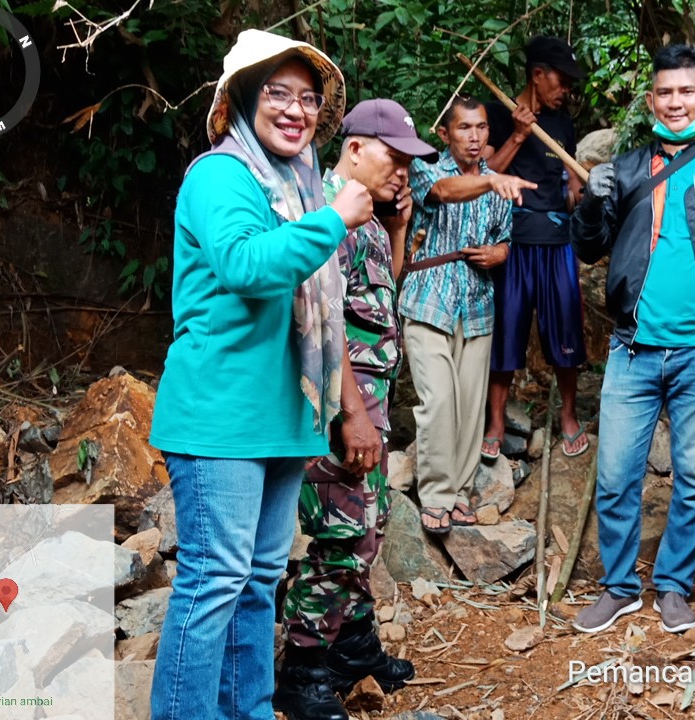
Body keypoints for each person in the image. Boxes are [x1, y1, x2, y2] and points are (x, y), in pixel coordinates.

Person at [149, 29, 371, 720]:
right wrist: (334, 219)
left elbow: (323, 312)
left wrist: (346, 410)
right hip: (220, 415)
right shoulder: (220, 175)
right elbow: (245, 265)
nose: (296, 110)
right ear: (245, 97)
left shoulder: (301, 186)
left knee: (259, 581)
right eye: (279, 93)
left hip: (282, 417)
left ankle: (248, 710)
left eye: (308, 98)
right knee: (215, 580)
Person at [569, 45, 695, 635]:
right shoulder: (629, 168)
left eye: (686, 91)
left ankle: (675, 585)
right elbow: (589, 247)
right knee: (615, 478)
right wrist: (590, 202)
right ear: (651, 99)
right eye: (665, 92)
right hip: (632, 349)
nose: (675, 102)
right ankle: (619, 587)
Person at [275, 99, 438, 720]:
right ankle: (303, 669)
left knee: (369, 523)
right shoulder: (325, 211)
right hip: (342, 409)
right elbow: (322, 319)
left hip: (371, 401)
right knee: (342, 534)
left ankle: (353, 644)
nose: (403, 171)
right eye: (394, 158)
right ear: (355, 148)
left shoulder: (364, 213)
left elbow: (377, 298)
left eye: (409, 162)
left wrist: (397, 229)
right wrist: (353, 414)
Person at [402, 95, 536, 533]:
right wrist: (492, 182)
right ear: (445, 133)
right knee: (439, 400)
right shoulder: (426, 168)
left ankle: (459, 493)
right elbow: (444, 192)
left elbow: (505, 237)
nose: (474, 136)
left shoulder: (498, 185)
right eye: (464, 128)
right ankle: (436, 495)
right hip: (429, 299)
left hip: (477, 305)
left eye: (481, 127)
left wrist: (501, 253)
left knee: (469, 407)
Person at [482, 35, 589, 460]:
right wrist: (519, 135)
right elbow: (484, 175)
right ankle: (495, 422)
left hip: (557, 242)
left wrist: (584, 193)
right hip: (512, 242)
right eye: (562, 81)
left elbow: (571, 189)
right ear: (537, 74)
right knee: (506, 331)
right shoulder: (497, 114)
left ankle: (568, 415)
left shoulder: (563, 125)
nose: (566, 91)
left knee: (566, 331)